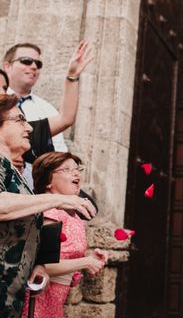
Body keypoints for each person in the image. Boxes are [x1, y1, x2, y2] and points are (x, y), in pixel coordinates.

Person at [0, 95, 96, 318]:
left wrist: (39, 266)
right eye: (20, 120)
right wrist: (58, 199)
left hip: (11, 296)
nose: (29, 128)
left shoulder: (16, 174)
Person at [21, 152, 108, 318]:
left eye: (77, 169)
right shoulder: (50, 210)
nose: (76, 173)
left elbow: (63, 255)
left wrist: (91, 257)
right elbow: (43, 265)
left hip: (56, 303)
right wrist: (86, 262)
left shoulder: (71, 214)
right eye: (67, 169)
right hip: (38, 302)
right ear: (48, 181)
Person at [1, 42, 93, 187]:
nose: (33, 66)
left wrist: (72, 75)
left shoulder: (46, 109)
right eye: (26, 61)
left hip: (32, 191)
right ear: (7, 65)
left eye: (38, 64)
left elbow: (65, 121)